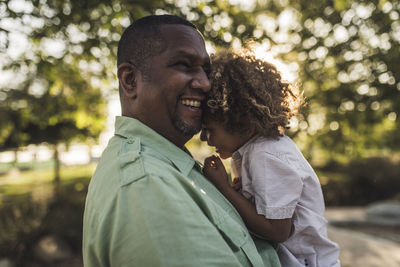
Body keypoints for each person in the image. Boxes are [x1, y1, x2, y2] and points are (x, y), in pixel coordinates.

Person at [82, 15, 281, 267]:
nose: (206, 84)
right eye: (184, 65)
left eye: (206, 71)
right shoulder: (147, 187)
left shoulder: (166, 165)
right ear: (130, 80)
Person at [201, 49, 341, 267]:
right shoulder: (253, 150)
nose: (206, 139)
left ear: (243, 124)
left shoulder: (265, 154)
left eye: (209, 130)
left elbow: (277, 231)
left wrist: (224, 189)